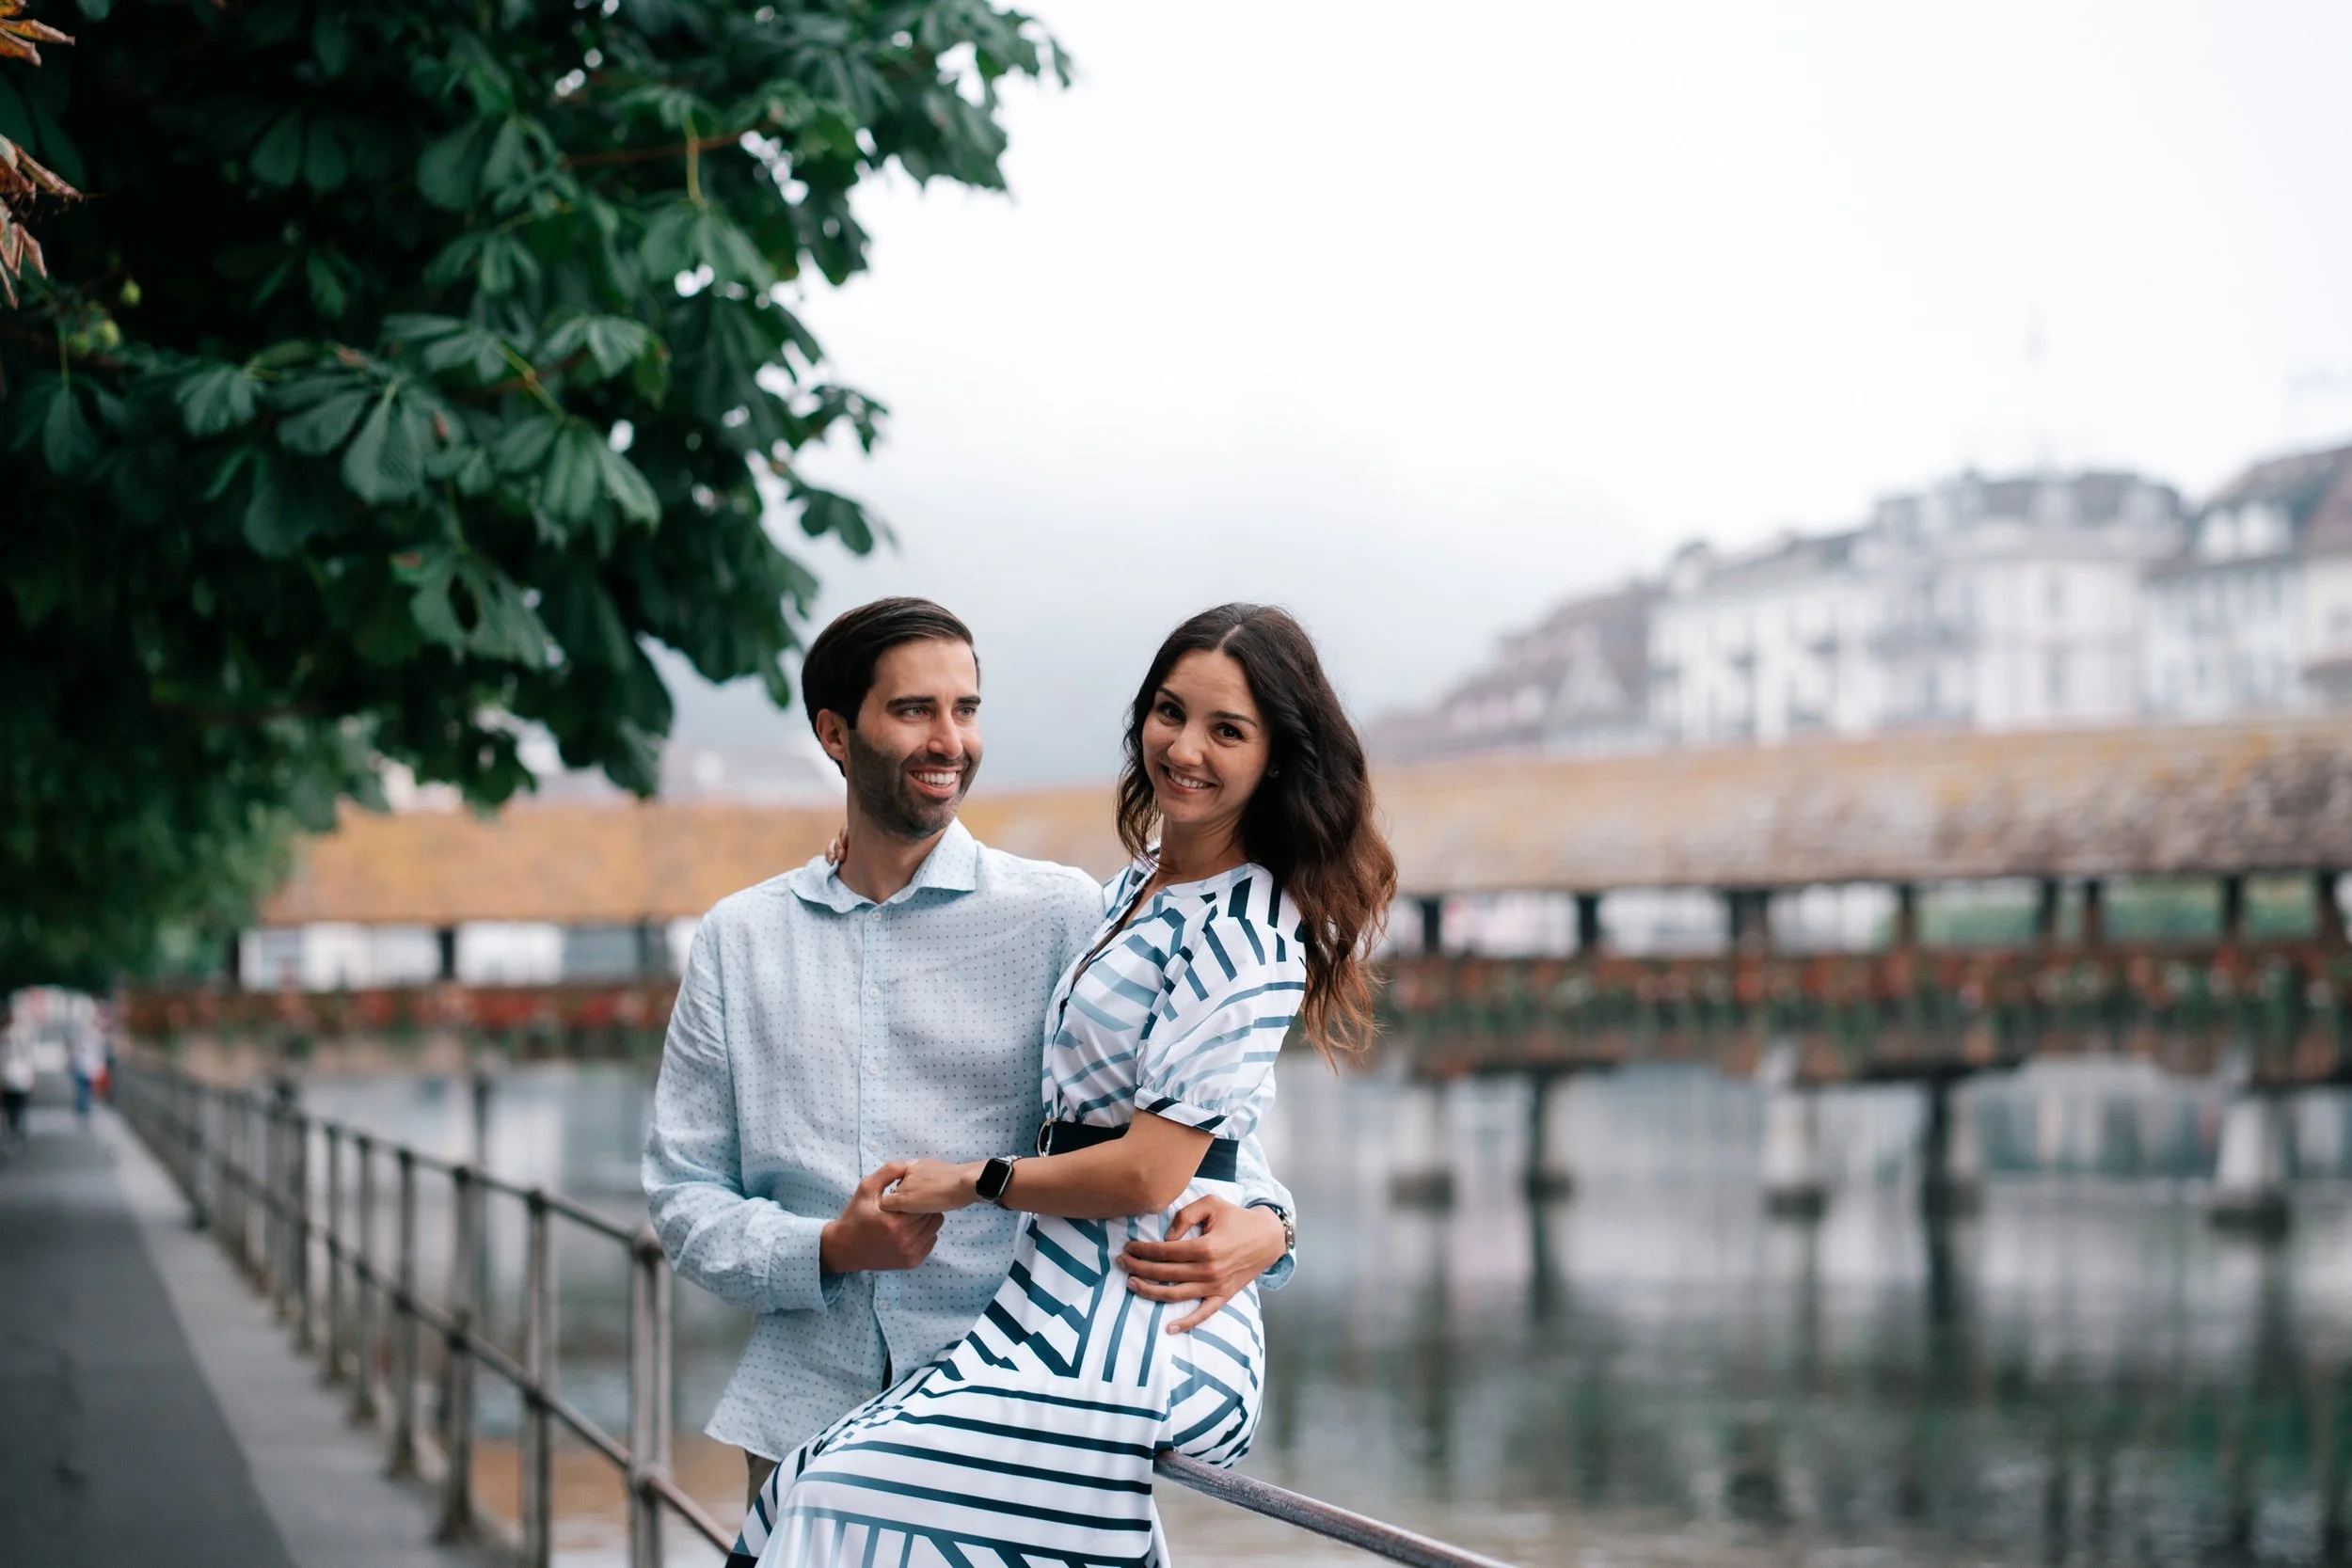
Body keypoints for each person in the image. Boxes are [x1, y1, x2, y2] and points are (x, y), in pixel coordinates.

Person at [729, 603, 1396, 1568]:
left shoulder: (1246, 934)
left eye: (1227, 730)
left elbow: (1152, 1170)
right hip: (1047, 1296)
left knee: (843, 1493)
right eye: (1170, 712)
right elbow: (1213, 1125)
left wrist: (971, 1179)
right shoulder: (1129, 890)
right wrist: (1276, 1219)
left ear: (1276, 757)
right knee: (803, 1479)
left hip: (1149, 1314)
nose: (1185, 747)